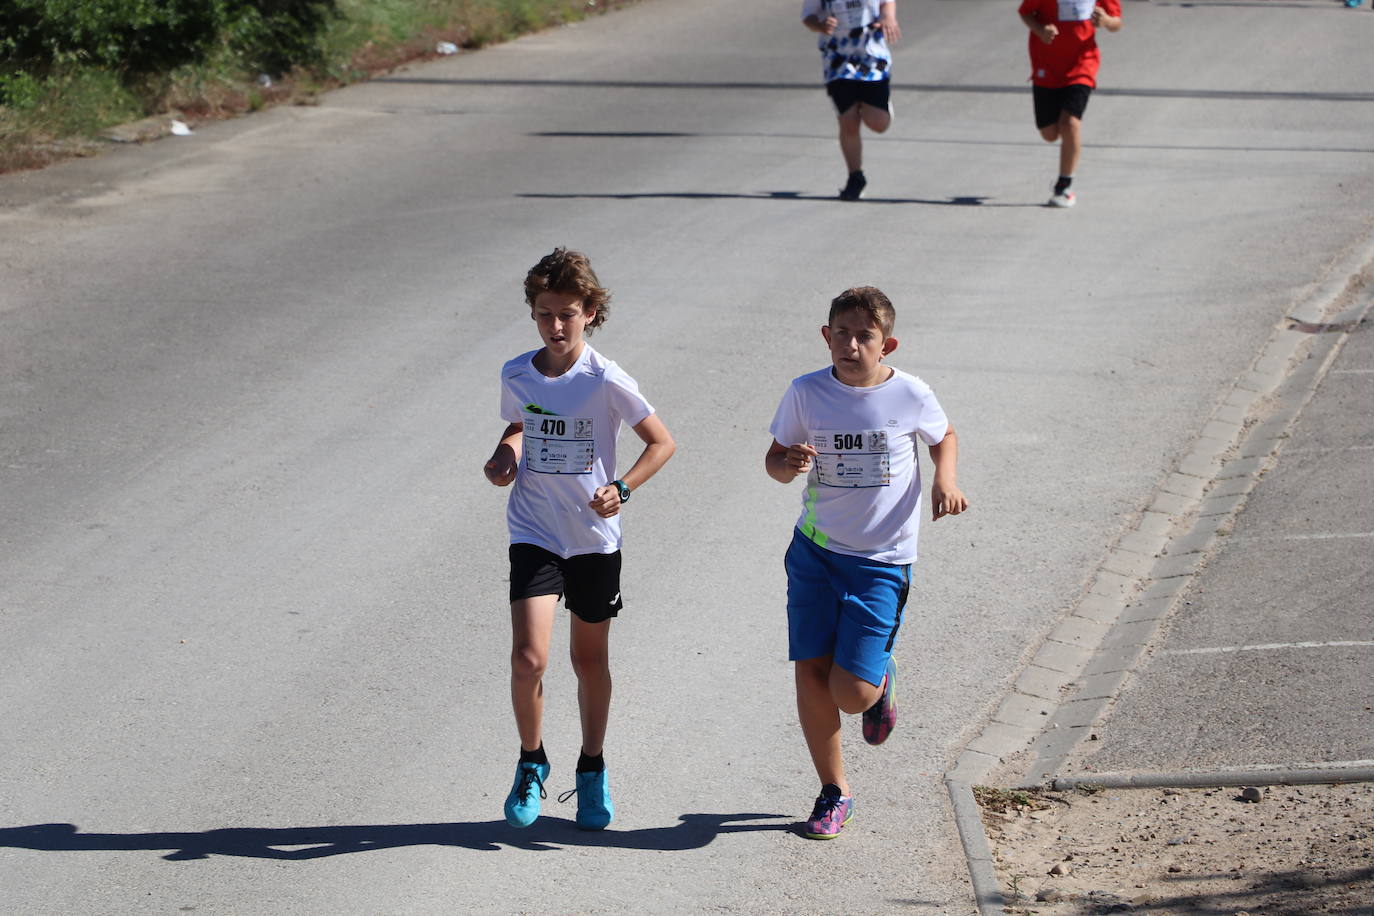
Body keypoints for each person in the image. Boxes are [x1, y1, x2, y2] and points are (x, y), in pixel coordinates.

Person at [764, 286, 968, 839]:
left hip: (882, 559)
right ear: (826, 336)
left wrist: (945, 479)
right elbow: (775, 463)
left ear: (887, 344)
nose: (851, 345)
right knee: (810, 667)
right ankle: (835, 792)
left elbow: (942, 435)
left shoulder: (910, 394)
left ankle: (880, 675)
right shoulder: (806, 393)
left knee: (852, 695)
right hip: (815, 550)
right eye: (842, 333)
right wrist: (790, 460)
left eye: (865, 336)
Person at [484, 248, 675, 830]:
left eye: (567, 314)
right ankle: (530, 761)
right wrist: (504, 455)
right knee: (528, 658)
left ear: (590, 311)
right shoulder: (517, 372)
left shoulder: (605, 379)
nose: (556, 326)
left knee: (588, 661)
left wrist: (623, 487)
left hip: (593, 537)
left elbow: (661, 442)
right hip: (535, 528)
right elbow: (521, 422)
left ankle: (591, 768)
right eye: (545, 314)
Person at [1017, 0, 1122, 207]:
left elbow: (1116, 22)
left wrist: (1107, 21)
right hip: (1046, 64)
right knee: (1049, 134)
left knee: (1070, 123)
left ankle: (1064, 186)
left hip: (1083, 63)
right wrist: (1040, 30)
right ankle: (1065, 170)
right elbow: (1025, 12)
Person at [801, 0, 901, 201]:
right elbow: (808, 16)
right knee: (848, 120)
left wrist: (888, 17)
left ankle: (876, 105)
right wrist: (819, 25)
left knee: (878, 124)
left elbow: (887, 2)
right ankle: (855, 177)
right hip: (838, 59)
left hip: (872, 57)